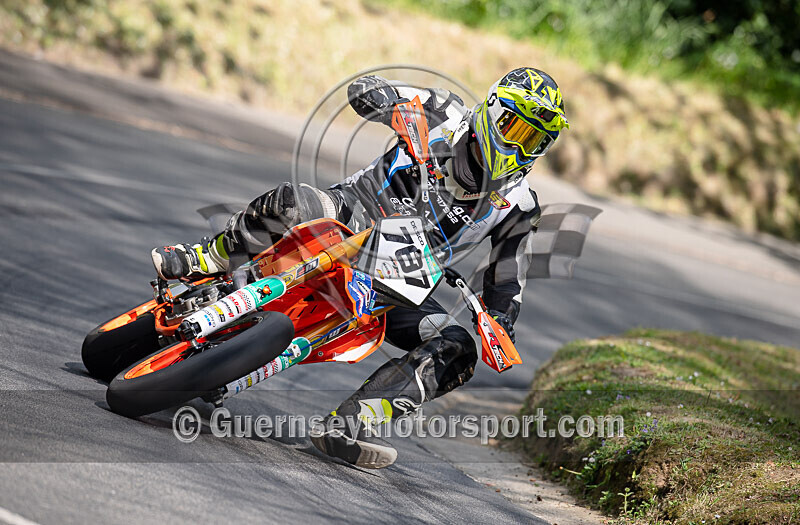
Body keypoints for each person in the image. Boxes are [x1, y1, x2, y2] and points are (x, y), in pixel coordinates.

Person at [151, 67, 569, 468]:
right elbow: (367, 88)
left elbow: (508, 275)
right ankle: (207, 256)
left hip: (400, 279)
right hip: (349, 216)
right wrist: (385, 103)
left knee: (456, 349)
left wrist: (498, 323)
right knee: (291, 202)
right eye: (517, 129)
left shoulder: (520, 203)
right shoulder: (443, 110)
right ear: (494, 111)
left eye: (535, 140)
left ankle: (353, 422)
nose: (520, 146)